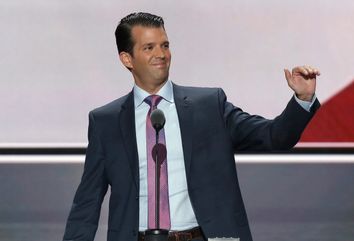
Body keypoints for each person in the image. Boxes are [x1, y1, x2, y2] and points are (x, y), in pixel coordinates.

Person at [63, 12, 320, 241]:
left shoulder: (209, 106)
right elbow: (87, 202)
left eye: (165, 45)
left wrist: (303, 99)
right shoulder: (106, 122)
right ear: (127, 58)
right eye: (149, 47)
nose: (161, 55)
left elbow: (275, 136)